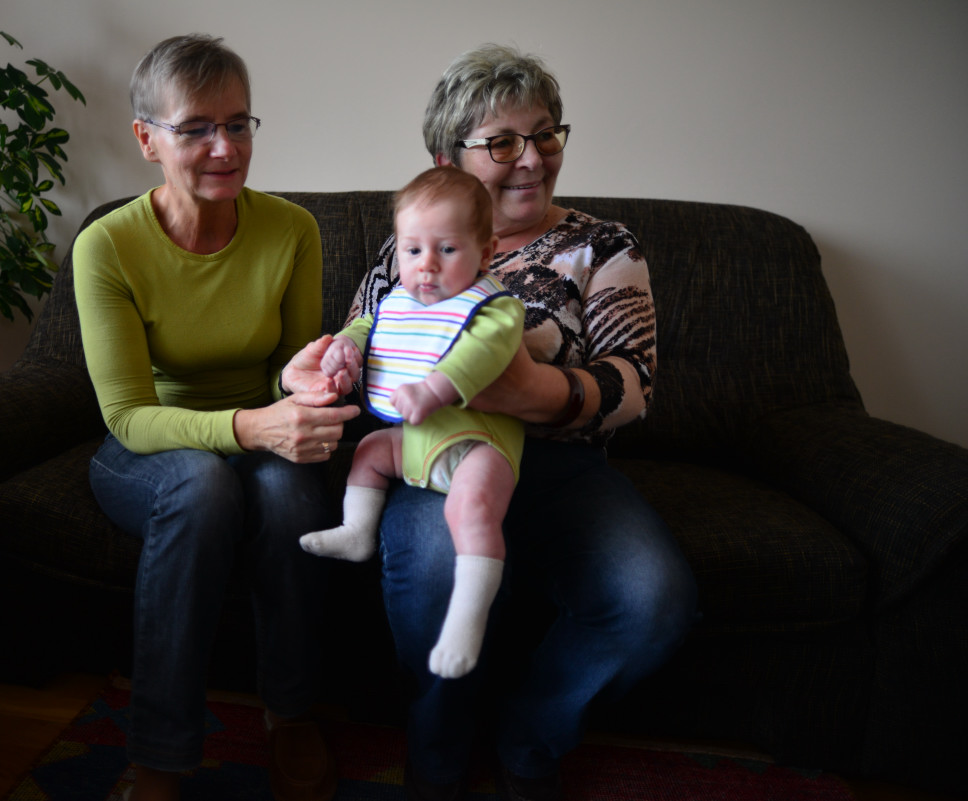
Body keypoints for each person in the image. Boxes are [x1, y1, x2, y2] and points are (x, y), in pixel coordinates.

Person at [345, 44, 698, 801]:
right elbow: (365, 340)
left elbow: (633, 386)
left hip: (563, 468)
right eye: (502, 142)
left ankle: (530, 735)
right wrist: (328, 364)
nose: (533, 159)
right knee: (433, 568)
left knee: (653, 598)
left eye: (544, 135)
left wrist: (530, 390)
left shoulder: (603, 245)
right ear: (447, 159)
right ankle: (437, 760)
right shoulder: (412, 243)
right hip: (438, 456)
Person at [72, 34, 358, 801]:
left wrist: (302, 381)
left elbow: (285, 370)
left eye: (237, 124)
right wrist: (252, 426)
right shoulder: (107, 246)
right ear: (147, 139)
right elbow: (129, 415)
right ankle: (159, 758)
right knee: (202, 486)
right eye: (196, 128)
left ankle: (290, 714)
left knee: (290, 490)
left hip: (258, 431)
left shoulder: (292, 230)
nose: (225, 147)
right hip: (149, 447)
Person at [301, 166, 524, 681]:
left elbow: (483, 353)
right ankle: (357, 532)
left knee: (472, 509)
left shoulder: (494, 308)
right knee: (368, 452)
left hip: (477, 444)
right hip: (415, 442)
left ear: (485, 253)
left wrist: (433, 390)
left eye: (446, 249)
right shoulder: (398, 303)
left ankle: (466, 620)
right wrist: (344, 349)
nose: (427, 265)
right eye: (413, 250)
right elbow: (367, 326)